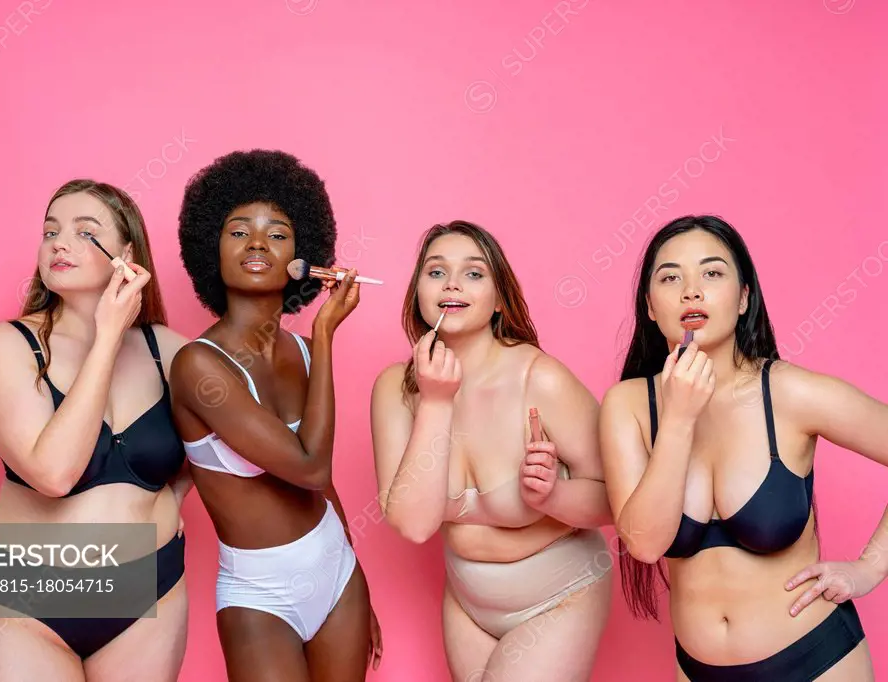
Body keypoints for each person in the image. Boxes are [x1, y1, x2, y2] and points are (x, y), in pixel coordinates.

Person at [599, 214, 887, 681]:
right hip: (698, 670)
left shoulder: (791, 394)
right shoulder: (629, 405)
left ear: (744, 298)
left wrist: (870, 568)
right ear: (650, 306)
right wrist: (678, 420)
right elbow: (646, 544)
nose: (691, 291)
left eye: (712, 273)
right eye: (670, 277)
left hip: (818, 661)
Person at [169, 149, 382, 682]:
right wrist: (330, 334)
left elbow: (320, 487)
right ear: (210, 251)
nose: (258, 243)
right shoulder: (198, 366)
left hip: (338, 572)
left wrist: (358, 580)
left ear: (301, 257)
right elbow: (309, 465)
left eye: (278, 233)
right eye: (239, 232)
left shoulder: (307, 353)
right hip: (259, 591)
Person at [370, 220, 613, 682]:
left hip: (561, 594)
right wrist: (437, 402)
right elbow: (414, 524)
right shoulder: (396, 390)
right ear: (418, 293)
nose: (453, 283)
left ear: (500, 299)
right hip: (468, 604)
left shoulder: (539, 379)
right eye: (436, 272)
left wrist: (552, 498)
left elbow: (617, 500)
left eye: (475, 273)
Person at [0, 179, 192, 681]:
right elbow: (54, 474)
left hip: (148, 592)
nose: (59, 242)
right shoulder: (8, 345)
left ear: (127, 253)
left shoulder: (168, 351)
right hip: (30, 600)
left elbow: (218, 443)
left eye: (82, 230)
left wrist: (172, 498)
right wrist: (109, 334)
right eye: (50, 230)